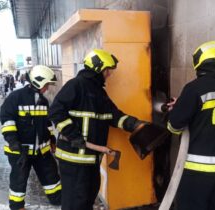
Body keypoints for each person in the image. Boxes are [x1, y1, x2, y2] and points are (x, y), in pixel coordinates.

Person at [49, 49, 146, 210]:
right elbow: (55, 111)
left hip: (91, 160)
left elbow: (114, 116)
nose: (109, 74)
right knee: (74, 203)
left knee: (87, 200)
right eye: (107, 70)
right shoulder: (76, 85)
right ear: (98, 68)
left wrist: (135, 124)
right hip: (74, 160)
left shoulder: (99, 93)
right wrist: (73, 135)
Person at [166, 41, 215, 210]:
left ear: (200, 62)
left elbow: (174, 126)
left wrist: (176, 110)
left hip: (198, 168)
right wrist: (184, 104)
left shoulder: (194, 88)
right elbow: (208, 116)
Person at [0, 65, 61, 210]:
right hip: (21, 152)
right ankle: (17, 206)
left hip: (41, 152)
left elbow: (47, 124)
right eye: (46, 84)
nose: (47, 88)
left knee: (51, 176)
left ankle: (57, 198)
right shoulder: (16, 98)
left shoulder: (43, 101)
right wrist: (13, 141)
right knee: (19, 180)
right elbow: (7, 120)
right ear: (39, 82)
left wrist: (52, 140)